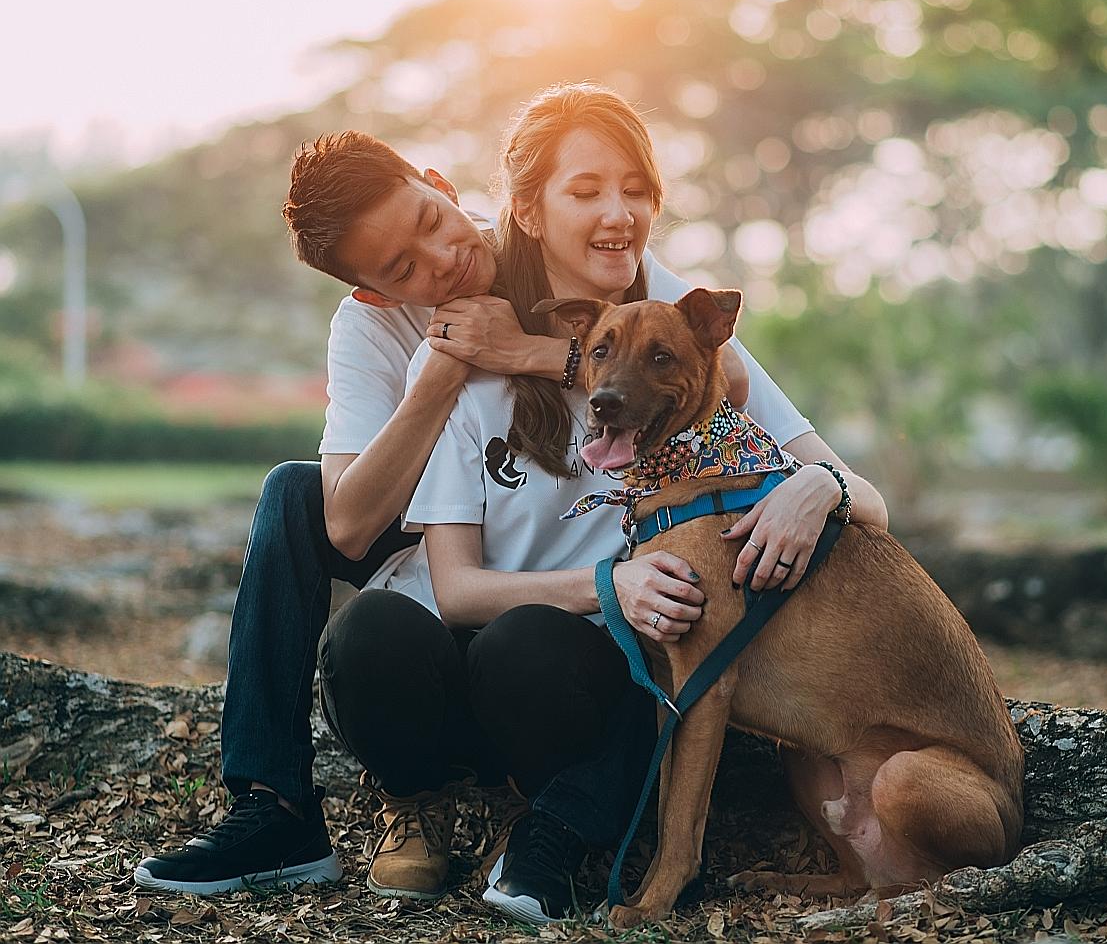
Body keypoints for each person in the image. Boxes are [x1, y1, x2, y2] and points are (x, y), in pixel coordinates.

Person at [314, 82, 889, 922]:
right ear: (528, 211)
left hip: (585, 682)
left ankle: (557, 829)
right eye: (585, 191)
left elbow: (856, 492)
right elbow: (415, 560)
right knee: (345, 574)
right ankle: (298, 806)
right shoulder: (465, 366)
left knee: (568, 642)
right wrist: (610, 577)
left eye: (636, 190)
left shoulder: (680, 343)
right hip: (494, 651)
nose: (619, 212)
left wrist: (816, 486)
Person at [129, 113, 745, 896]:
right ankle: (276, 804)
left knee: (550, 631)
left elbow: (723, 387)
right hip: (448, 549)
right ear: (372, 287)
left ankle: (553, 808)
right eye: (403, 267)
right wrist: (442, 372)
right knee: (294, 493)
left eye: (432, 221)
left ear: (442, 184)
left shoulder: (568, 247)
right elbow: (346, 527)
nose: (444, 259)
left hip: (566, 623)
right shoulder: (372, 328)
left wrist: (527, 353)